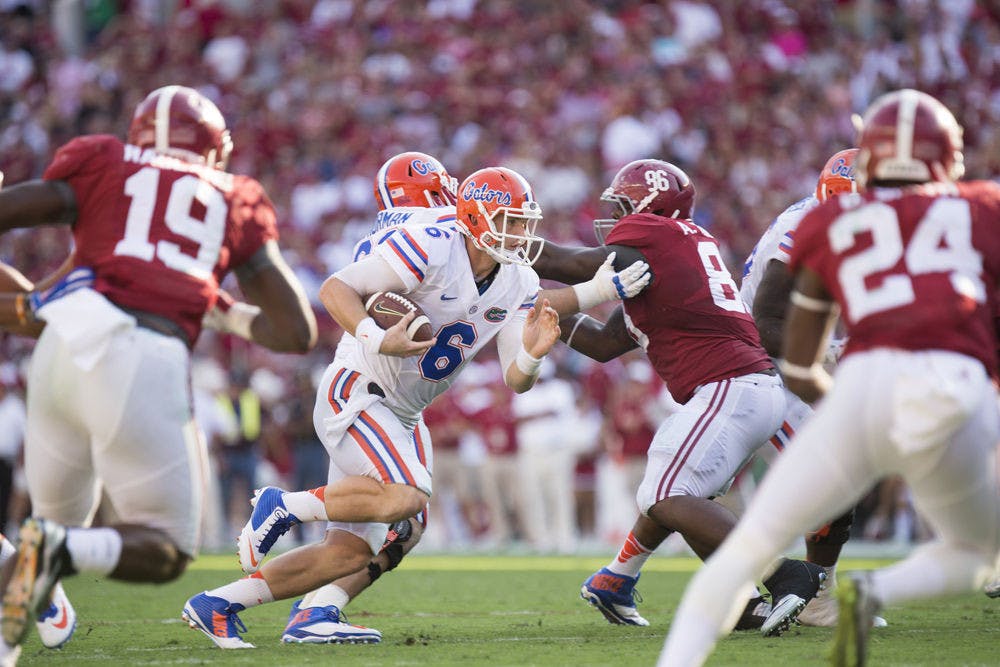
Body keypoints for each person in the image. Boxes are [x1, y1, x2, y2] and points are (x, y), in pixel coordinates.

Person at [181, 164, 652, 648]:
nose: (519, 233)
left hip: (406, 411)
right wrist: (376, 337)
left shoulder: (516, 279)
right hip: (362, 388)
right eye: (508, 220)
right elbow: (335, 288)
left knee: (379, 538)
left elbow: (515, 380)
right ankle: (285, 505)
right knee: (407, 494)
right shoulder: (432, 240)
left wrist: (533, 354)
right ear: (472, 216)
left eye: (523, 221)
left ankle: (238, 605)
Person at [659, 88, 1000, 667]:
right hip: (956, 379)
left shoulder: (830, 220)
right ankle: (859, 590)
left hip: (862, 376)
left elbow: (799, 352)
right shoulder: (982, 206)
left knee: (748, 551)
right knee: (978, 554)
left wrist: (843, 409)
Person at [0, 84, 318, 651]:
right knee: (165, 549)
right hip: (142, 350)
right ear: (216, 151)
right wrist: (225, 310)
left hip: (58, 347)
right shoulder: (233, 194)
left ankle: (32, 584)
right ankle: (49, 554)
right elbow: (296, 331)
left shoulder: (103, 164)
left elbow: (20, 226)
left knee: (54, 533)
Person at [533, 159, 825, 636]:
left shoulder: (661, 236)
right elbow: (604, 344)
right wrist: (531, 303)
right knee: (672, 494)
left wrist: (502, 248)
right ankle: (627, 581)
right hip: (745, 390)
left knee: (667, 494)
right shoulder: (670, 262)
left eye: (622, 205)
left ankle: (783, 573)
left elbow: (570, 264)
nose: (613, 216)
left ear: (651, 207)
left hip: (731, 387)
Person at [280, 150, 461, 645]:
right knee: (403, 505)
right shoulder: (440, 227)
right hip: (371, 390)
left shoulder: (385, 233)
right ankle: (286, 507)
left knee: (399, 526)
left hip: (397, 397)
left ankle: (315, 610)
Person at [737, 147, 886, 628]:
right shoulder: (800, 231)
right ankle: (817, 595)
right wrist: (830, 353)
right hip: (755, 364)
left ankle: (818, 591)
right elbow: (767, 322)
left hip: (779, 363)